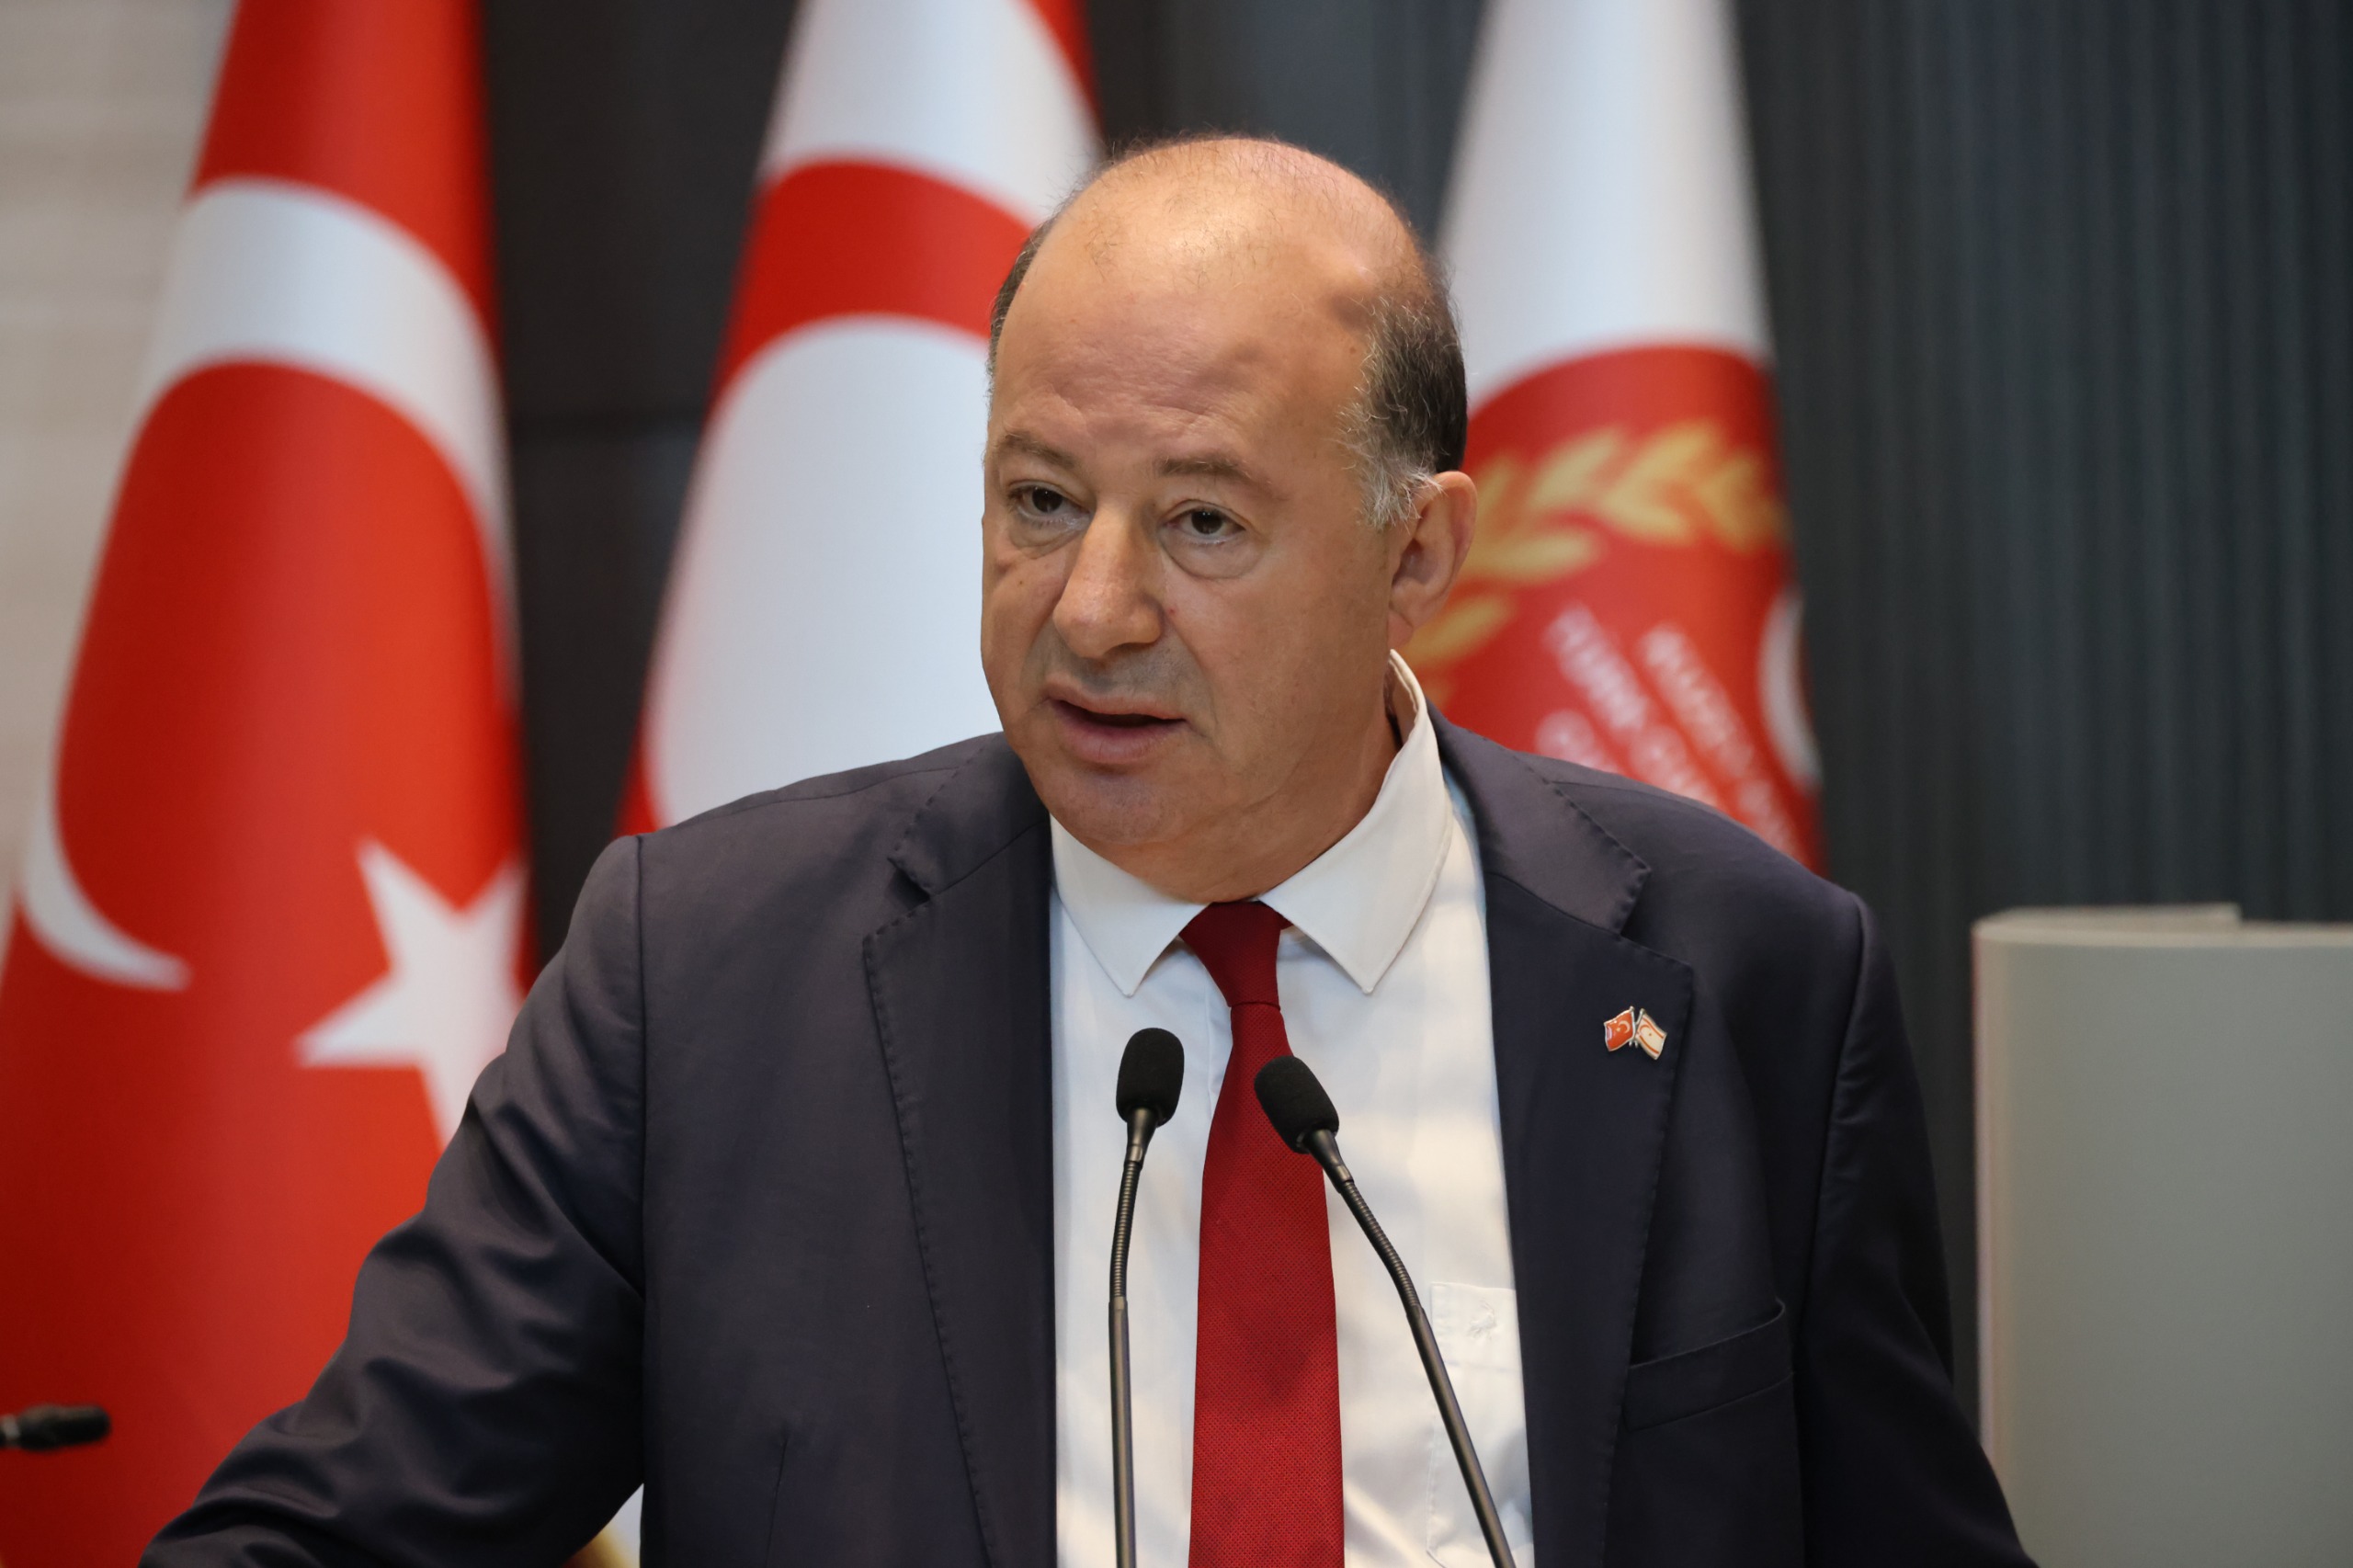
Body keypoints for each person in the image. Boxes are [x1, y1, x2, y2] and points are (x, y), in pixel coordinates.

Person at [149, 138, 2029, 1567]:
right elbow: (333, 1532)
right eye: (1041, 500)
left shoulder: (1747, 980)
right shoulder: (703, 980)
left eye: (1201, 522)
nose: (1094, 610)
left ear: (1419, 555)